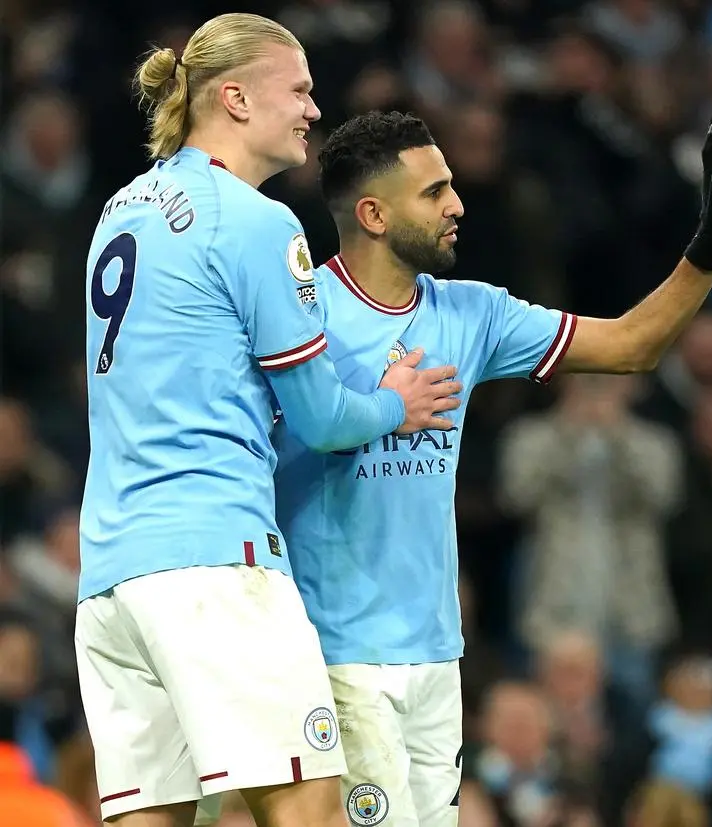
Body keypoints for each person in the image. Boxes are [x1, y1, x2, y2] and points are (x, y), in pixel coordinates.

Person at [268, 108, 712, 827]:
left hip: (435, 650)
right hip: (339, 653)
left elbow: (630, 346)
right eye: (433, 192)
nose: (457, 204)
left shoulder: (472, 313)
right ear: (372, 213)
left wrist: (703, 255)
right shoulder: (300, 315)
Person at [75, 14, 459, 827]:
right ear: (237, 97)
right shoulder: (254, 221)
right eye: (302, 89)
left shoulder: (120, 211)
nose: (315, 110)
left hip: (110, 572)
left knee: (153, 816)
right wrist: (399, 402)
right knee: (310, 811)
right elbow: (320, 415)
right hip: (217, 563)